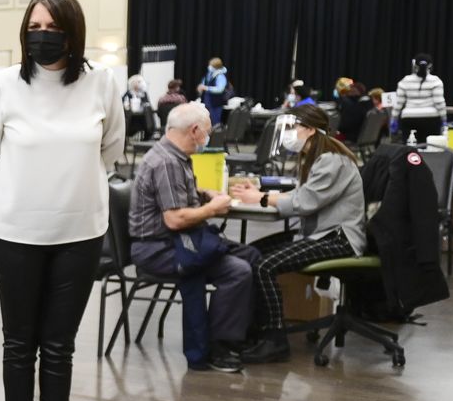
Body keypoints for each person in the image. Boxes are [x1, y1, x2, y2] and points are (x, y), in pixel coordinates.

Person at [0, 0, 123, 401]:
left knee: (59, 346)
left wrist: (70, 189)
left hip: (80, 233)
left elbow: (110, 150)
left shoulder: (102, 84)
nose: (42, 35)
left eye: (52, 27)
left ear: (72, 32)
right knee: (20, 344)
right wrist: (27, 191)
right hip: (15, 232)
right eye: (33, 27)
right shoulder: (3, 85)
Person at [229, 104, 368, 363]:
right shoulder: (317, 157)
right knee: (253, 253)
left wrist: (261, 198)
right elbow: (302, 194)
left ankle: (274, 340)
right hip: (321, 234)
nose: (289, 133)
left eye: (294, 127)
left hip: (338, 238)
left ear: (310, 130)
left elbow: (305, 202)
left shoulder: (331, 160)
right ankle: (254, 329)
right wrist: (262, 194)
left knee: (264, 266)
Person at [128, 103, 257, 373]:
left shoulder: (173, 156)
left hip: (174, 240)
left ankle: (249, 334)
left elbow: (179, 196)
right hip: (157, 248)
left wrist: (206, 194)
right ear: (195, 130)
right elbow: (174, 219)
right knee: (238, 271)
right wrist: (213, 209)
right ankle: (219, 346)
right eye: (207, 132)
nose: (208, 138)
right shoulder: (166, 162)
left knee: (252, 256)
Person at [394, 53, 445, 143]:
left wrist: (394, 118)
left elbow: (399, 103)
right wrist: (444, 118)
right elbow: (439, 102)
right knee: (431, 147)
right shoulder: (436, 81)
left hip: (409, 118)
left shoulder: (405, 80)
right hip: (431, 119)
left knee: (410, 147)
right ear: (430, 66)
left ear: (414, 65)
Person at [197, 57, 229, 126]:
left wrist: (207, 88)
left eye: (211, 65)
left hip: (216, 104)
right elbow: (204, 83)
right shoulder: (209, 75)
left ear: (216, 66)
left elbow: (220, 89)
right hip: (206, 103)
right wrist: (201, 87)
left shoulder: (221, 76)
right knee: (206, 123)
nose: (209, 67)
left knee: (215, 123)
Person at [122, 74, 155, 139]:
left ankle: (149, 131)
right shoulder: (128, 93)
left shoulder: (144, 94)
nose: (141, 84)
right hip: (132, 117)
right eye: (139, 82)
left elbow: (147, 103)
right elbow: (123, 102)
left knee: (148, 115)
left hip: (142, 116)